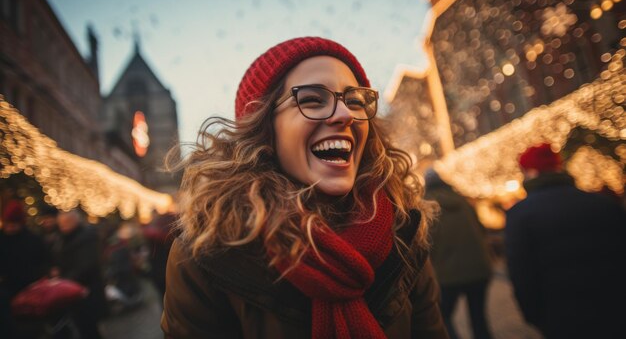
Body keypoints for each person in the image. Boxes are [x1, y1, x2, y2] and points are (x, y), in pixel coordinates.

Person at [161, 37, 448, 338]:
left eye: (355, 101)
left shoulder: (402, 231)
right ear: (263, 130)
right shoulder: (205, 259)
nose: (345, 115)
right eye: (312, 99)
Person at [505, 143, 626, 339]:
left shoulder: (520, 215)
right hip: (614, 308)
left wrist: (535, 317)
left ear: (532, 172)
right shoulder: (602, 204)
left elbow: (521, 273)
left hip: (561, 317)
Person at [424, 169, 492, 339]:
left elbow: (427, 243)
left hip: (448, 274)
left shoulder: (427, 206)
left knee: (443, 317)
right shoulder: (462, 200)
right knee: (479, 318)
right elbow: (481, 230)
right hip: (478, 268)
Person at [53, 209, 106, 339]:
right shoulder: (63, 239)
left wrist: (63, 281)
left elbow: (87, 265)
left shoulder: (85, 237)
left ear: (75, 221)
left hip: (85, 290)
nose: (63, 226)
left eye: (66, 222)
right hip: (74, 290)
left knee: (89, 328)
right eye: (61, 223)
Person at [0, 200, 47, 338]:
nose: (10, 228)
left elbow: (42, 261)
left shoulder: (33, 240)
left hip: (28, 288)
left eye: (13, 225)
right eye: (8, 224)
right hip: (5, 289)